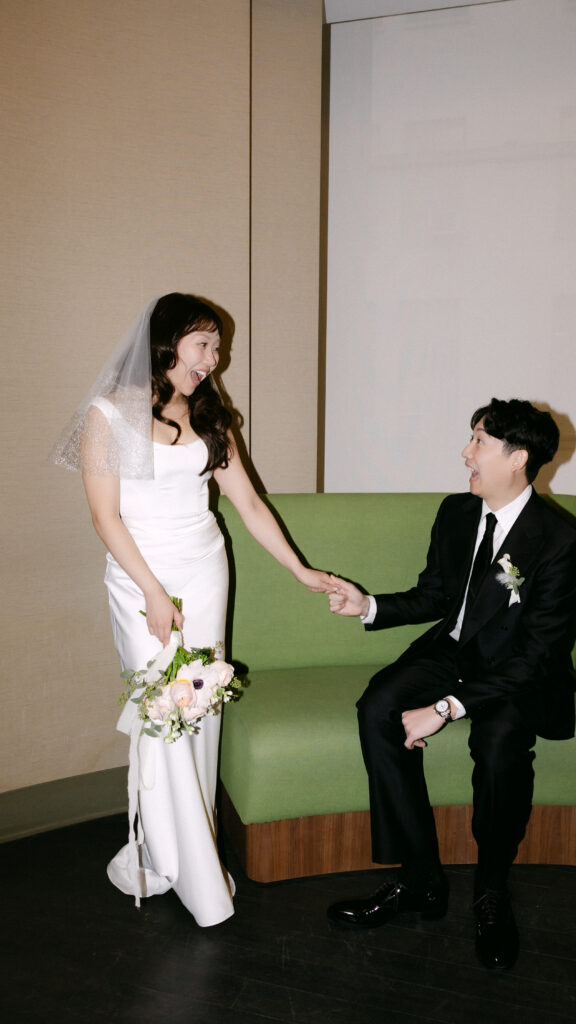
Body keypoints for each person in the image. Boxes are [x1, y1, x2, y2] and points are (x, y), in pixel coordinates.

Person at [52, 293, 331, 927]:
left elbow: (250, 506)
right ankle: (186, 864)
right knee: (161, 710)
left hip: (205, 571)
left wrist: (301, 569)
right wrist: (152, 591)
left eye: (216, 346)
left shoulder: (210, 416)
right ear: (167, 342)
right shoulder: (108, 415)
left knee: (199, 708)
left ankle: (189, 847)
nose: (215, 358)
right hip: (138, 579)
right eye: (204, 344)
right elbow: (105, 516)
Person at [325, 398, 576, 970]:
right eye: (470, 438)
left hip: (517, 673)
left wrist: (445, 707)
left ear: (517, 458)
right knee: (379, 709)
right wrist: (366, 604)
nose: (465, 453)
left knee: (496, 747)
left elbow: (538, 656)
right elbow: (438, 596)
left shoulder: (563, 544)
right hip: (454, 650)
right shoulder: (457, 511)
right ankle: (419, 880)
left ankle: (491, 891)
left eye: (479, 442)